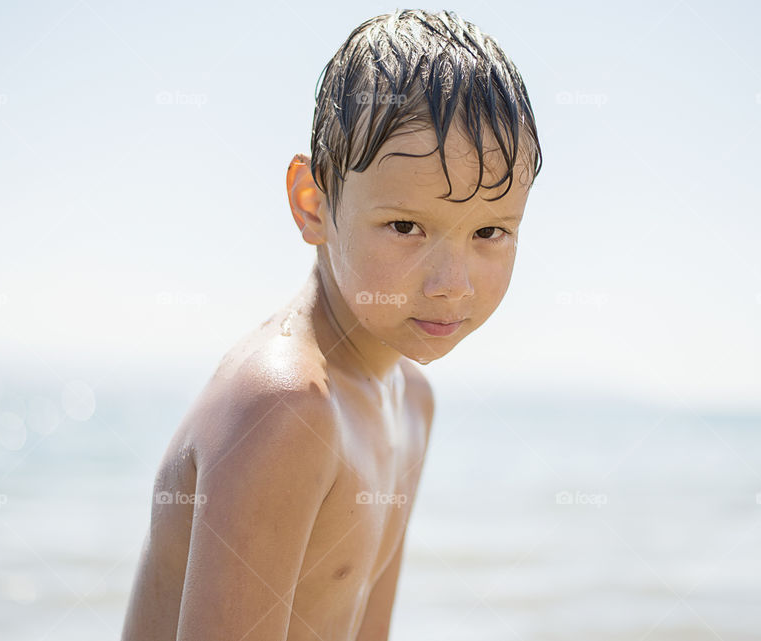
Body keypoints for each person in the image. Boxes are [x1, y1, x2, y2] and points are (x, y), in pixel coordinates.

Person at [121, 8, 542, 640]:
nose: (451, 282)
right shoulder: (286, 407)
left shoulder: (411, 402)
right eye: (406, 226)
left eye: (489, 232)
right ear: (313, 203)